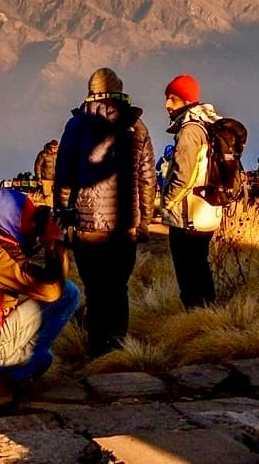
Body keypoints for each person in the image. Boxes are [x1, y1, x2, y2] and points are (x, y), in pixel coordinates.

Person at [53, 68, 154, 357]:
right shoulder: (137, 125)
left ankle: (98, 352)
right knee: (118, 288)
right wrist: (144, 221)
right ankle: (119, 348)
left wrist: (63, 216)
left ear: (91, 91)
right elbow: (147, 178)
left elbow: (64, 177)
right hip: (126, 225)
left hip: (89, 226)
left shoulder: (77, 126)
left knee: (96, 291)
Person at [0, 187, 79, 394]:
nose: (33, 224)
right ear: (12, 218)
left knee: (44, 359)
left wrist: (46, 242)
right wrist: (56, 245)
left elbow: (36, 280)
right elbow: (53, 290)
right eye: (29, 217)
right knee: (69, 294)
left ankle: (5, 372)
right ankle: (4, 378)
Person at [162, 73, 222, 308]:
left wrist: (166, 203)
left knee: (188, 273)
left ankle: (195, 318)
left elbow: (183, 175)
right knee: (200, 267)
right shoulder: (209, 125)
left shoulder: (189, 130)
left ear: (187, 100)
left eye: (173, 99)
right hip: (207, 211)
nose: (167, 104)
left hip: (188, 214)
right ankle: (208, 315)